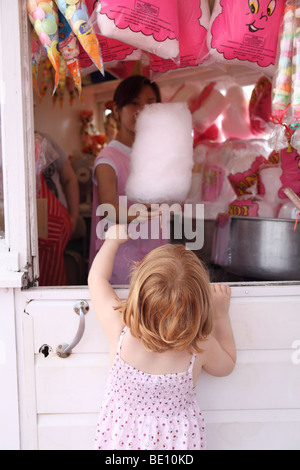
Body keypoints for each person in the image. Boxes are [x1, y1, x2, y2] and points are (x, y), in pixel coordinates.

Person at [89, 225, 236, 451]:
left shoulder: (121, 329)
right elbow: (226, 365)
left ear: (138, 291)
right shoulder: (200, 345)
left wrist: (112, 241)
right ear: (200, 303)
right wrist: (220, 315)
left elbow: (97, 279)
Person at [89, 75, 166, 285]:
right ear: (117, 110)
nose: (141, 110)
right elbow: (108, 209)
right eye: (134, 103)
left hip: (155, 257)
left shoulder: (153, 156)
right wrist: (144, 214)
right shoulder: (108, 159)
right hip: (120, 262)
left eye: (150, 104)